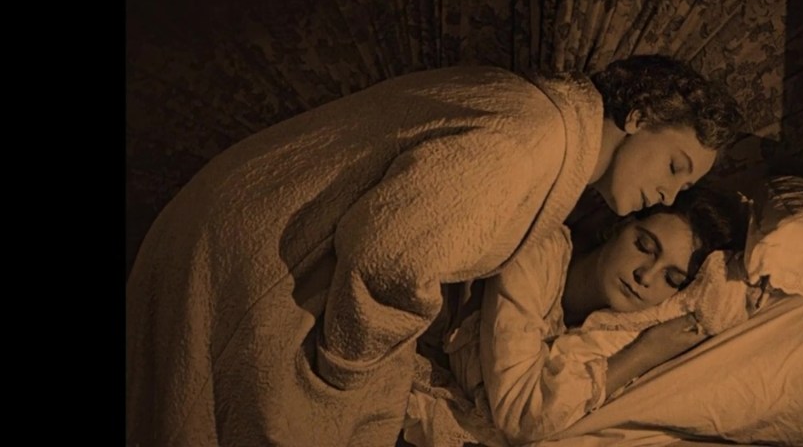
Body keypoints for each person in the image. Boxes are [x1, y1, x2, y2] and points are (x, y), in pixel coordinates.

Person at [125, 55, 743, 447]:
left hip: (253, 226)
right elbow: (389, 258)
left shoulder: (544, 122)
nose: (669, 192)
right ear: (638, 115)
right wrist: (345, 381)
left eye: (683, 185)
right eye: (675, 165)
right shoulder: (530, 142)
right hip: (258, 254)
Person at [442, 185, 747, 445]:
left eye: (671, 279)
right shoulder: (539, 254)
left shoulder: (612, 331)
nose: (645, 275)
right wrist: (643, 354)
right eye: (644, 246)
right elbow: (520, 417)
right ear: (618, 226)